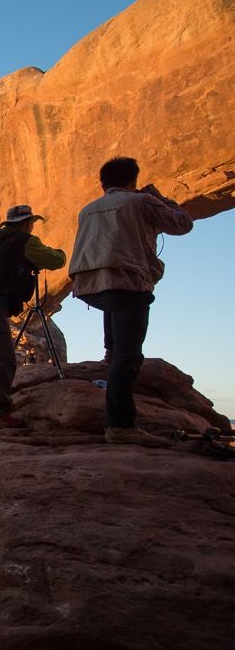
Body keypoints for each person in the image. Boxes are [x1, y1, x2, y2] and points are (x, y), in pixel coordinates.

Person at [69, 156, 193, 446]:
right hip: (126, 281)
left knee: (115, 307)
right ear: (132, 180)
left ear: (104, 183)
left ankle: (110, 352)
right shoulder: (140, 202)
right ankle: (120, 425)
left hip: (88, 285)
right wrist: (161, 199)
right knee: (130, 356)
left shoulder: (88, 209)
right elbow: (182, 225)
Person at [0, 204, 67, 428]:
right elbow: (56, 261)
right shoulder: (25, 241)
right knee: (4, 357)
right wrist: (61, 252)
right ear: (28, 223)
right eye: (31, 223)